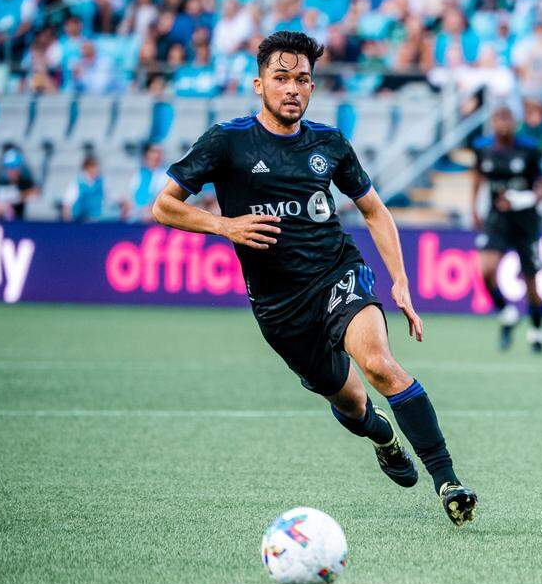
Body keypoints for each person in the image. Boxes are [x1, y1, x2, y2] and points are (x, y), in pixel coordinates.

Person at [152, 31, 477, 526]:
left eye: (303, 79)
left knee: (381, 366)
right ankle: (382, 437)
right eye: (281, 78)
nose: (293, 89)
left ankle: (447, 480)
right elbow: (164, 206)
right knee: (350, 402)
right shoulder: (228, 141)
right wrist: (225, 225)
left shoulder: (329, 143)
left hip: (337, 273)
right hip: (280, 308)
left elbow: (375, 211)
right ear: (259, 84)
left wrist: (400, 282)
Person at [470, 106, 542, 352]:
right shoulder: (482, 147)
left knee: (531, 280)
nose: (502, 124)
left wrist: (523, 198)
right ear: (492, 122)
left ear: (514, 123)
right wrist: (473, 207)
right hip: (498, 218)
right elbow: (477, 175)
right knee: (486, 270)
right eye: (498, 119)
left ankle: (537, 330)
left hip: (526, 221)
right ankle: (507, 313)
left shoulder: (530, 148)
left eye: (506, 119)